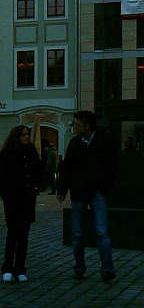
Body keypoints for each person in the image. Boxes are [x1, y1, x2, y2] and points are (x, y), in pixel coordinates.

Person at [57, 110, 118, 282]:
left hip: (98, 192)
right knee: (77, 233)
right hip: (79, 193)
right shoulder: (75, 143)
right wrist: (62, 188)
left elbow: (112, 166)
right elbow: (67, 168)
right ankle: (79, 267)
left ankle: (107, 269)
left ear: (87, 126)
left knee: (102, 231)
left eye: (77, 124)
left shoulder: (104, 142)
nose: (74, 127)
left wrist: (103, 186)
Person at [0, 125, 44, 282]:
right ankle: (8, 267)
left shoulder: (31, 152)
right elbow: (1, 176)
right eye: (23, 135)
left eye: (27, 135)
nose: (26, 137)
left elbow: (38, 171)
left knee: (24, 235)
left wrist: (35, 188)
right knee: (12, 233)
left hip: (27, 199)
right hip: (12, 199)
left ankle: (20, 268)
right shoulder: (7, 154)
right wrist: (5, 193)